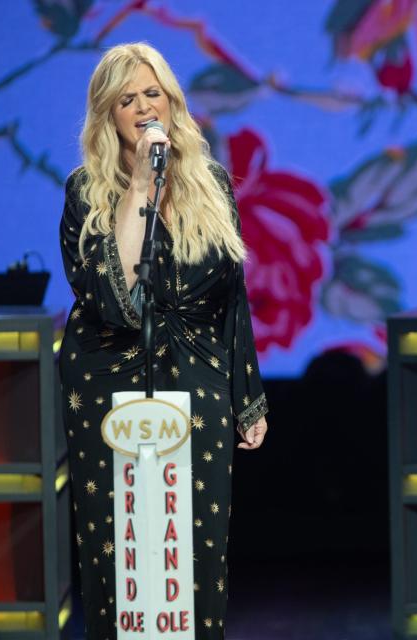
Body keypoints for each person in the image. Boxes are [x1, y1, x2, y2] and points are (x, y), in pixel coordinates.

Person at [59, 42, 269, 639]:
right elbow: (111, 295)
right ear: (108, 116)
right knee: (123, 555)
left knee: (192, 553)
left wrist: (247, 394)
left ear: (173, 102)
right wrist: (138, 193)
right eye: (127, 99)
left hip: (199, 377)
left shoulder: (213, 184)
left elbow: (234, 296)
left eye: (153, 93)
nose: (144, 107)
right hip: (108, 380)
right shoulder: (85, 192)